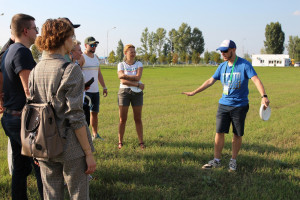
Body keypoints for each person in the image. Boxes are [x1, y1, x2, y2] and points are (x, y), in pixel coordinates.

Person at [32, 18, 96, 199]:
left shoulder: (36, 69)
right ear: (62, 39)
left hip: (44, 144)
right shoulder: (70, 70)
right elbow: (76, 116)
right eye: (71, 36)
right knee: (78, 195)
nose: (73, 40)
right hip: (71, 147)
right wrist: (88, 153)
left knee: (51, 195)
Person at [182, 39, 270, 171]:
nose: (222, 53)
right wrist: (194, 92)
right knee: (219, 132)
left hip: (240, 105)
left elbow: (256, 80)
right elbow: (210, 80)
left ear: (233, 50)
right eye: (221, 51)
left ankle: (233, 161)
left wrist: (264, 96)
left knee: (237, 134)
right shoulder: (222, 66)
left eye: (225, 51)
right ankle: (216, 160)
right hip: (223, 104)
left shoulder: (244, 65)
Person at [0, 14, 44, 200]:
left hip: (10, 118)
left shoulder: (8, 51)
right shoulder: (22, 52)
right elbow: (29, 90)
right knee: (42, 166)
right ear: (26, 30)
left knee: (20, 167)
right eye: (35, 28)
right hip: (22, 121)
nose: (37, 32)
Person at [117, 44, 145, 149]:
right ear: (125, 53)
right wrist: (137, 84)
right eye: (130, 52)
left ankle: (141, 142)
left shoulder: (139, 63)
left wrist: (125, 75)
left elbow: (138, 77)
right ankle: (120, 142)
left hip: (137, 94)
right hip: (124, 93)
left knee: (138, 118)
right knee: (122, 119)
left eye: (134, 52)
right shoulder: (121, 64)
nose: (133, 54)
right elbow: (122, 80)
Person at [82, 36, 107, 140]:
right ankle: (84, 136)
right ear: (85, 45)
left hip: (95, 91)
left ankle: (95, 134)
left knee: (95, 113)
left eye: (95, 45)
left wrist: (104, 87)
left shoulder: (96, 57)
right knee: (84, 115)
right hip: (85, 92)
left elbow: (99, 73)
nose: (94, 47)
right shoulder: (82, 57)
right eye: (91, 45)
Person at [0, 34, 15, 176]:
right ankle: (13, 170)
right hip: (11, 104)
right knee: (13, 142)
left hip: (9, 101)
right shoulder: (8, 50)